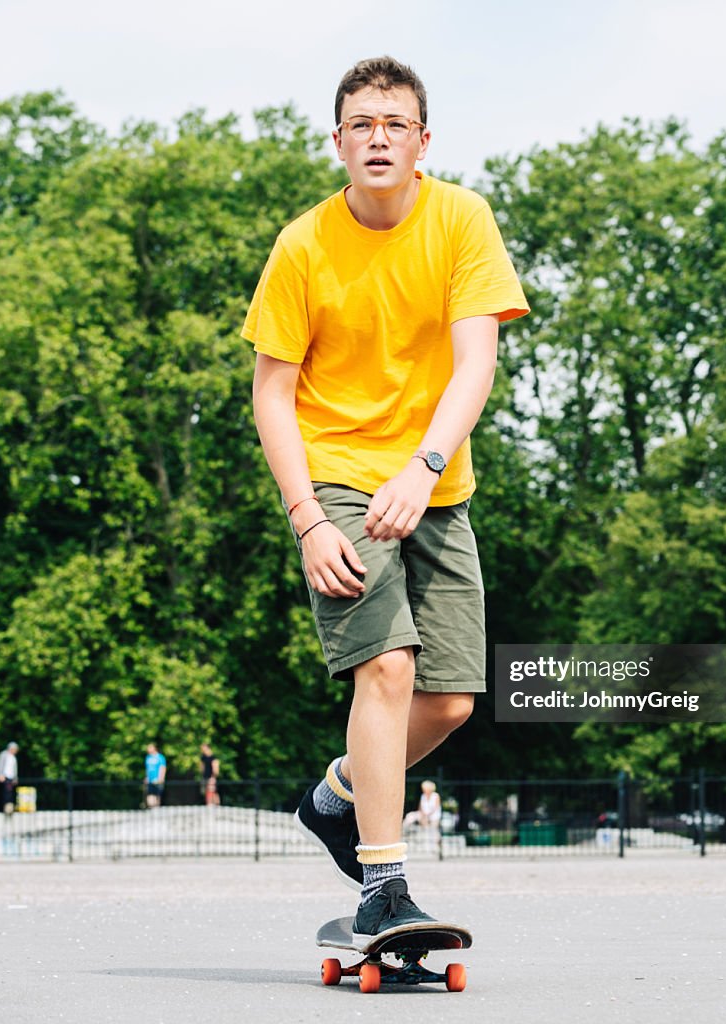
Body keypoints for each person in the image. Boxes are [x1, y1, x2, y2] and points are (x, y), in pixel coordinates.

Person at [243, 55, 528, 943]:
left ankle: (336, 799)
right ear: (337, 142)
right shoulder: (303, 245)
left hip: (434, 482)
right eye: (360, 124)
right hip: (336, 476)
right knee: (388, 668)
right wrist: (307, 520)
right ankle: (384, 884)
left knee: (447, 700)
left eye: (394, 124)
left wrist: (425, 467)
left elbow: (476, 358)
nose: (377, 138)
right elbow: (271, 391)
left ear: (421, 141)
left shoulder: (461, 219)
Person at [0, 742, 19, 815]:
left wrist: (15, 778)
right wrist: (0, 774)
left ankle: (10, 808)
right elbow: (0, 765)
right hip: (5, 776)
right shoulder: (3, 754)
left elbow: (14, 769)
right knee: (6, 793)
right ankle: (6, 808)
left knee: (10, 793)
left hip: (11, 777)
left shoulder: (13, 757)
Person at [144, 742, 167, 808]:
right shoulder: (148, 758)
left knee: (157, 795)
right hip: (150, 780)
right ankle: (152, 809)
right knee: (150, 795)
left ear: (154, 748)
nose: (148, 749)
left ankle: (156, 809)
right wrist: (147, 777)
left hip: (157, 779)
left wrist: (161, 778)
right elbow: (147, 769)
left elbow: (163, 768)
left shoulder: (160, 757)